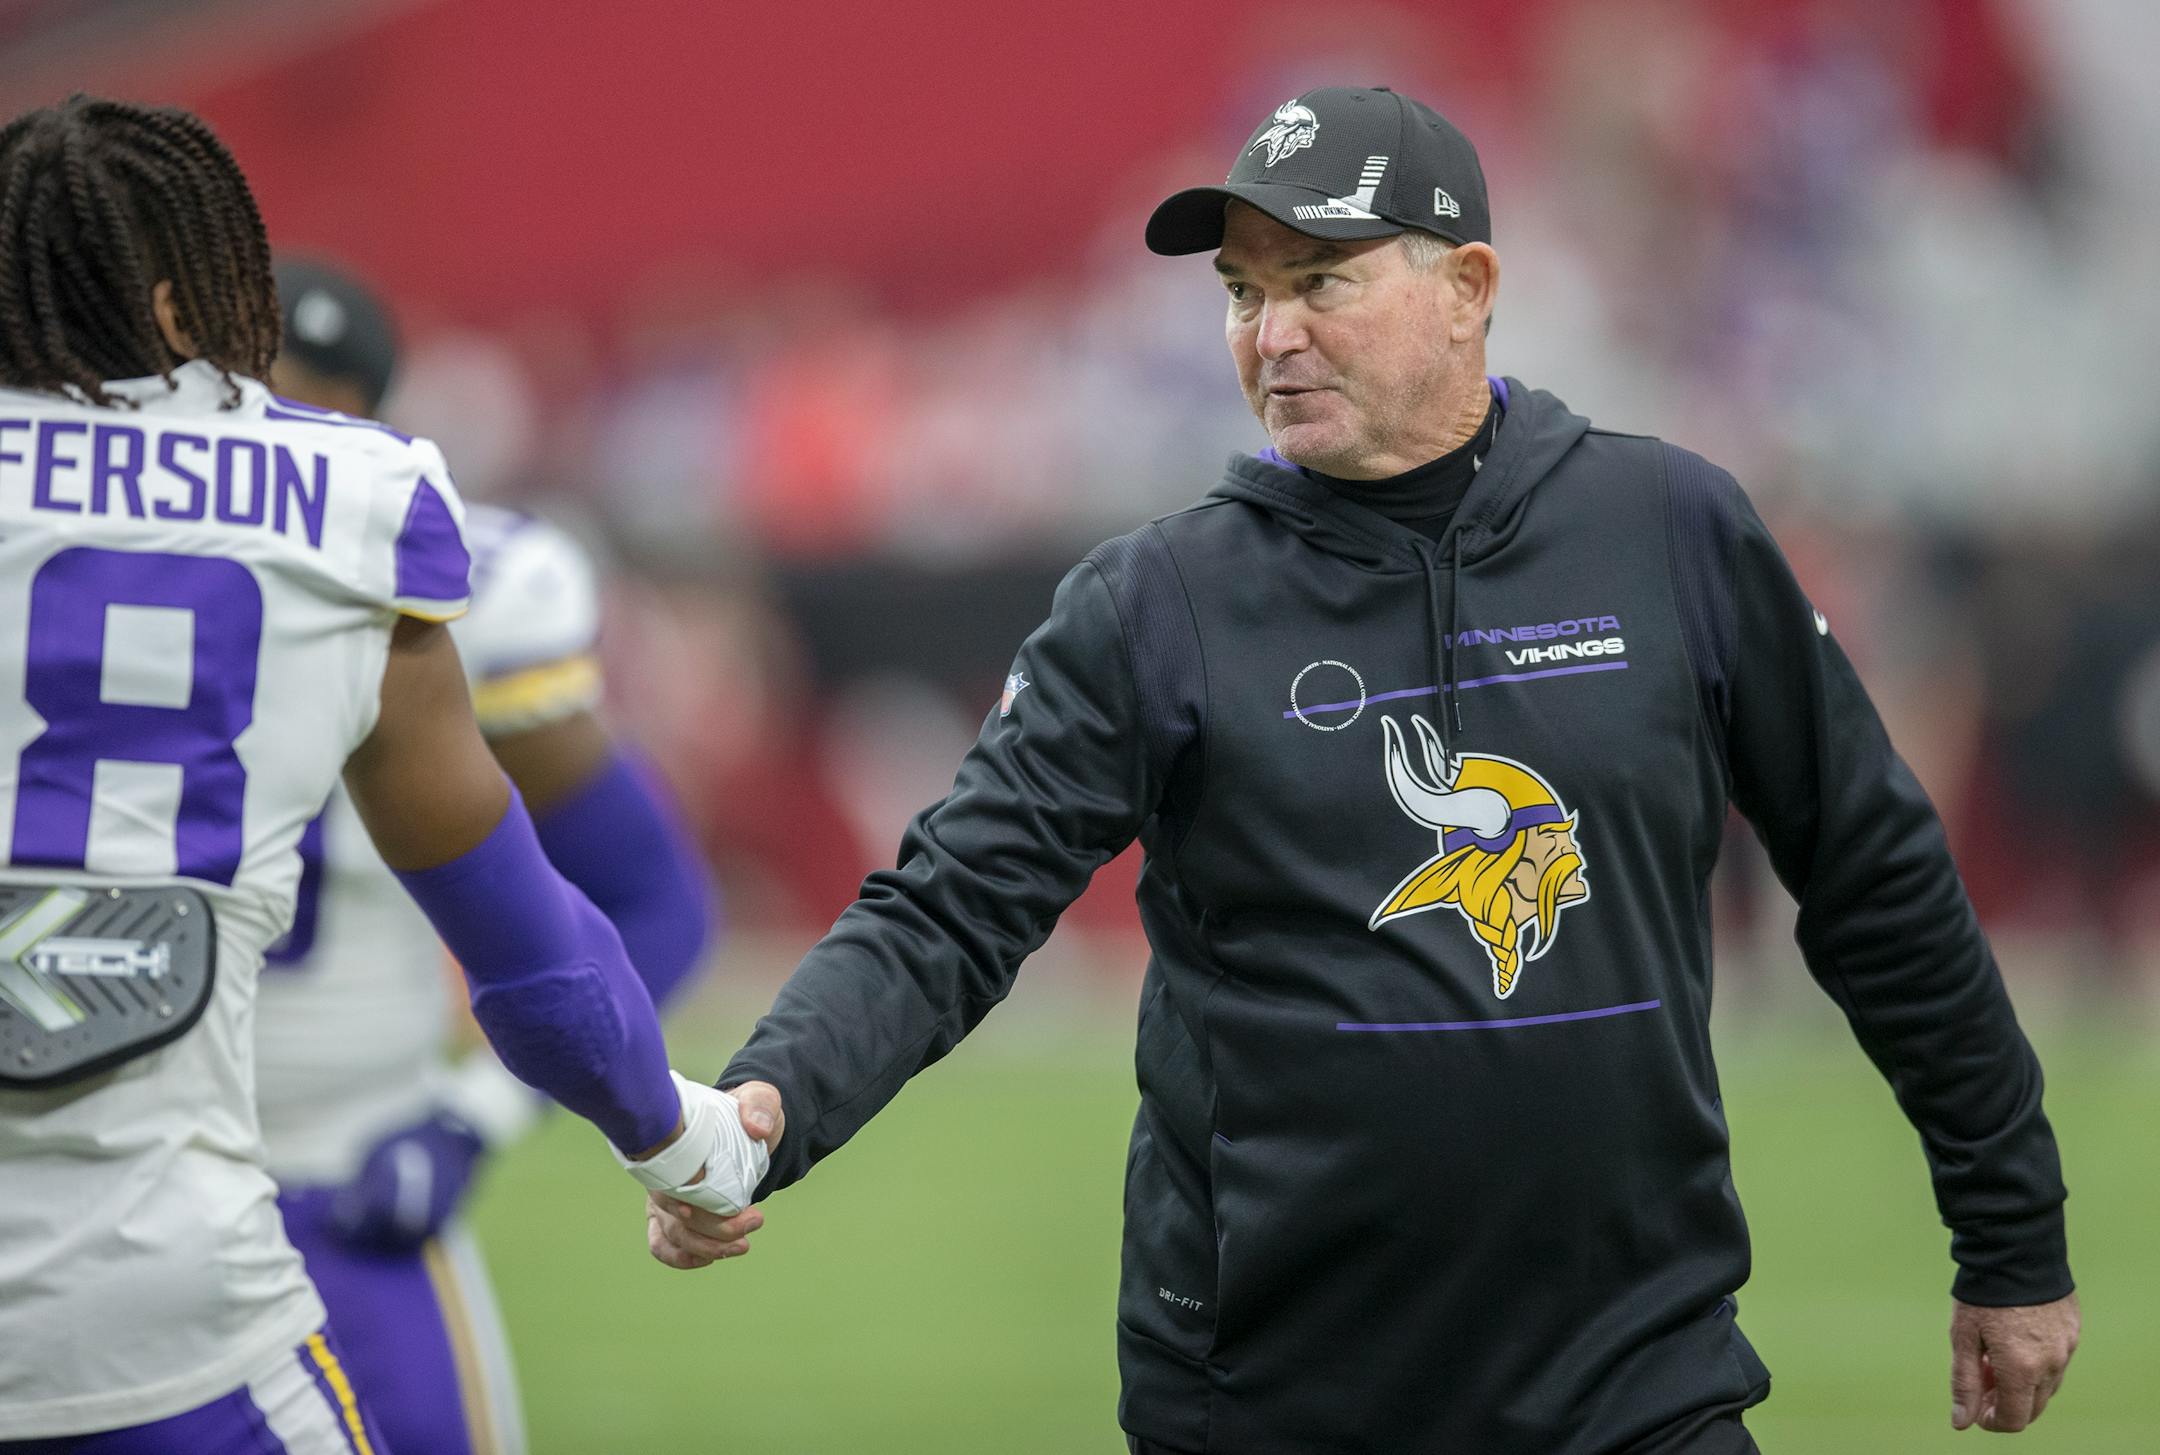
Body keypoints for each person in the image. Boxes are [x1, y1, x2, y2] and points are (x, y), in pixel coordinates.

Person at [650, 87, 2079, 1452]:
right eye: (1242, 291)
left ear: (1468, 286)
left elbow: (1877, 877)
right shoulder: (1158, 603)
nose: (1272, 333)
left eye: (1321, 280)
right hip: (1269, 1399)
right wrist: (775, 1100)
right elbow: (950, 907)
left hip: (1641, 1383)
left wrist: (2011, 1230)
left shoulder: (1673, 531)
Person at [0, 95, 764, 1453]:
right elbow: (531, 945)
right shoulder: (351, 507)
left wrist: (462, 1125)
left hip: (313, 1164)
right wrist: (680, 1142)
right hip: (162, 1297)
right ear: (186, 301)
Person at [253, 256, 716, 1455]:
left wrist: (468, 1120)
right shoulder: (72, 550)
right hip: (110, 1174)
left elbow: (655, 901)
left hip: (351, 1177)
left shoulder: (465, 586)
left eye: (310, 408)